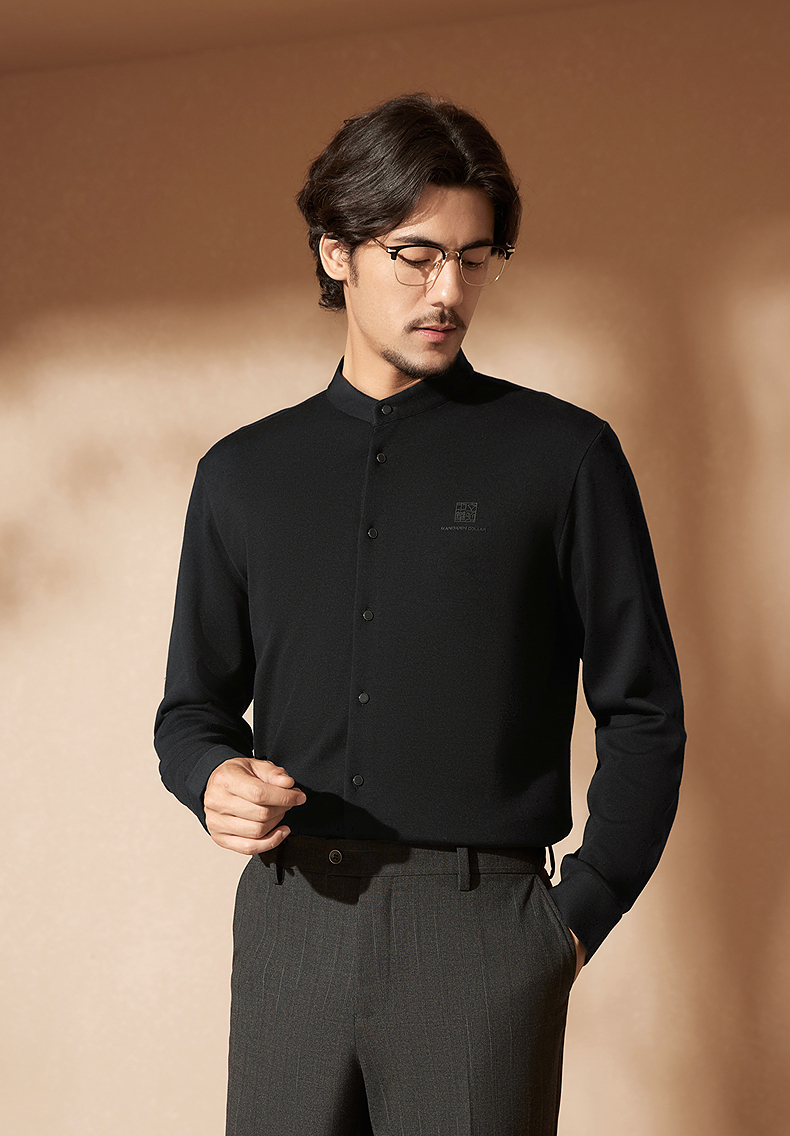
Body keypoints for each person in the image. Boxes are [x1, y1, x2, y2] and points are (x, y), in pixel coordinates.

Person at [154, 93, 685, 1136]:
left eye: (475, 260)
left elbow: (644, 709)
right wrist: (209, 776)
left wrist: (571, 922)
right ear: (337, 251)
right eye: (417, 256)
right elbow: (191, 710)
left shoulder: (564, 457)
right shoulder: (242, 474)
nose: (449, 290)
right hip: (290, 924)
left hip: (484, 932)